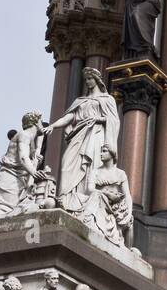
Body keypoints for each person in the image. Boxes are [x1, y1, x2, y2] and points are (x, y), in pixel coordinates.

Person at [44, 69, 120, 211]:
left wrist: (98, 119)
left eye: (90, 78)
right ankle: (65, 198)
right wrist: (53, 125)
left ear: (97, 80)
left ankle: (85, 199)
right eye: (85, 79)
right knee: (67, 163)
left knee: (92, 166)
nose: (87, 82)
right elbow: (70, 117)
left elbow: (114, 121)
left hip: (95, 135)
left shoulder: (107, 99)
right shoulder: (80, 100)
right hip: (78, 135)